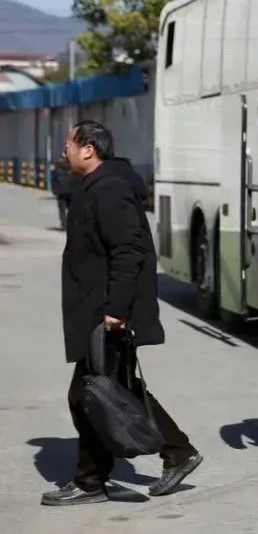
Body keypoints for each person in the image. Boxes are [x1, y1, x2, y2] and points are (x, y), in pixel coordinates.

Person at [42, 120, 201, 507]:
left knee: (89, 395)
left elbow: (128, 252)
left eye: (68, 144)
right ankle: (177, 452)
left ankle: (90, 482)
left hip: (108, 315)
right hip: (99, 311)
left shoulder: (109, 188)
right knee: (115, 389)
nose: (64, 151)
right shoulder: (98, 185)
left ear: (88, 149)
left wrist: (116, 309)